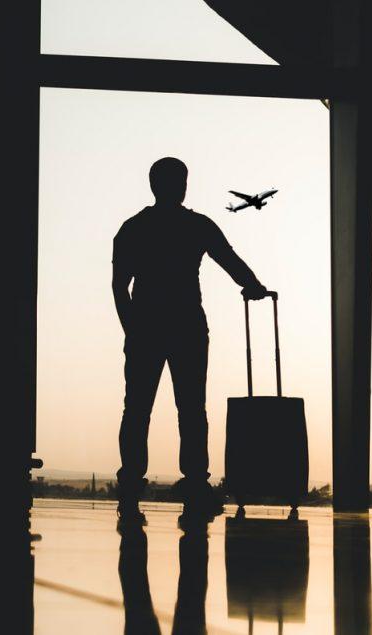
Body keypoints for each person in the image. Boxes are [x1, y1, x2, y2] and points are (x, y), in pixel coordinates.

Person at [112, 157, 267, 522]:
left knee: (137, 410)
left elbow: (121, 286)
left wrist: (131, 329)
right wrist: (254, 286)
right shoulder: (196, 225)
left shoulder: (134, 228)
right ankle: (195, 482)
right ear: (182, 185)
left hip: (146, 326)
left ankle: (131, 484)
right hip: (187, 326)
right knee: (192, 410)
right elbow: (228, 259)